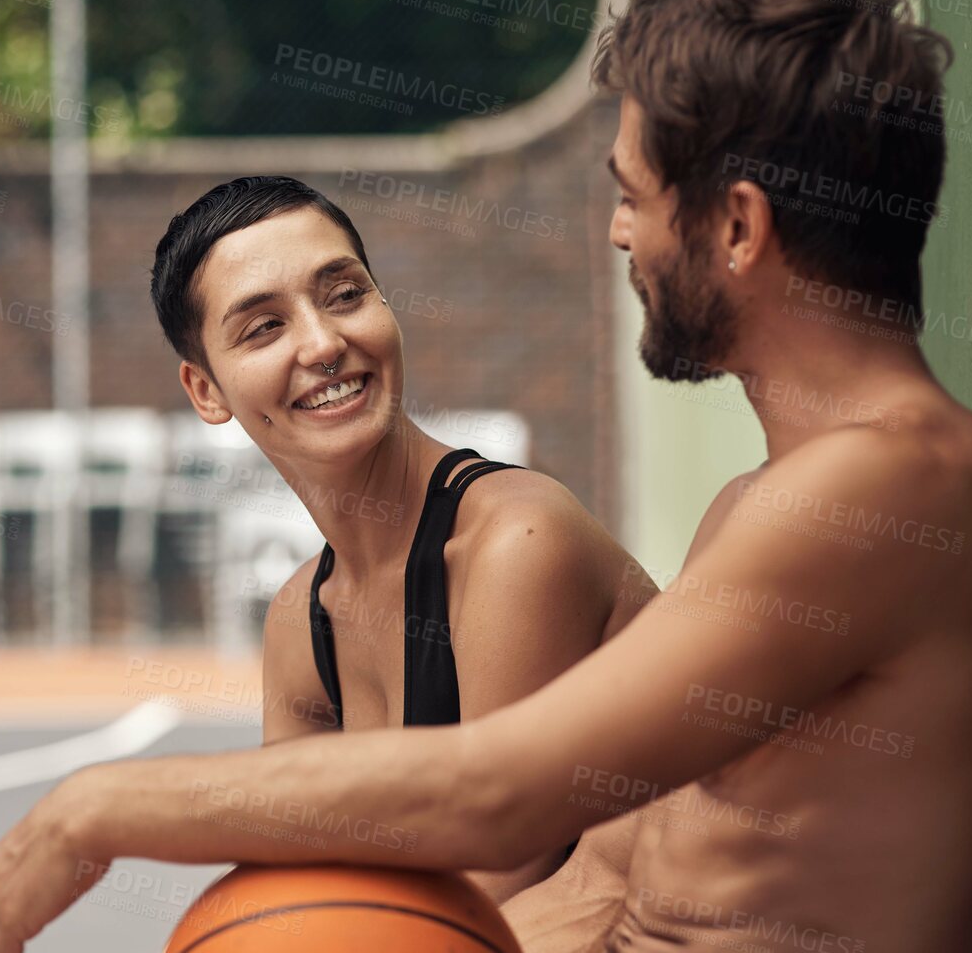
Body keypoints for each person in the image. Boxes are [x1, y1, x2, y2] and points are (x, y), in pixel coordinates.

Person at [0, 0, 972, 953]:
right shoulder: (771, 499)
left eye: (632, 195)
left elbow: (497, 796)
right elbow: (589, 889)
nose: (620, 235)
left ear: (735, 226)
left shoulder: (888, 491)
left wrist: (99, 807)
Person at [151, 174, 645, 904]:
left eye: (344, 293)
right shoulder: (300, 619)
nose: (323, 342)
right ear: (206, 391)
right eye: (263, 327)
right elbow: (295, 873)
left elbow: (493, 893)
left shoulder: (515, 541)